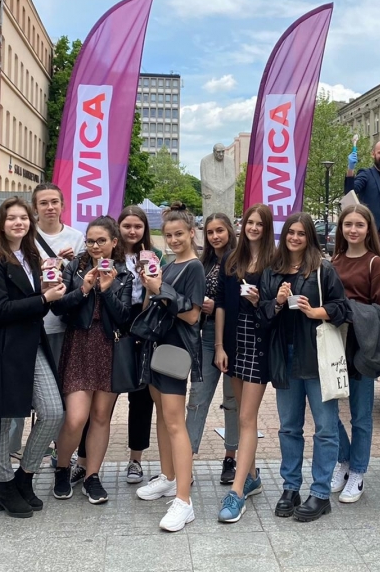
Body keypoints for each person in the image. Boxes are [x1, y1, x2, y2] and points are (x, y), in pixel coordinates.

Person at [0, 197, 66, 518]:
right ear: (1, 223)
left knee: (53, 412)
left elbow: (32, 299)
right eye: (11, 218)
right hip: (3, 346)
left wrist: (48, 290)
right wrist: (44, 298)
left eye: (24, 218)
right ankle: (3, 484)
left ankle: (24, 476)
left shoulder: (31, 255)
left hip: (32, 342)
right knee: (1, 418)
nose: (18, 223)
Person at [259, 212, 349, 522]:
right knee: (289, 427)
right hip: (285, 356)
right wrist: (277, 302)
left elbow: (342, 308)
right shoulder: (273, 270)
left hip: (316, 356)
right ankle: (291, 488)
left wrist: (316, 312)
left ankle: (320, 493)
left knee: (325, 428)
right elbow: (263, 314)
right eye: (290, 232)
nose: (295, 238)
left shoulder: (323, 269)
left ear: (309, 237)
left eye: (301, 233)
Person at [51, 216, 132, 506]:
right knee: (76, 417)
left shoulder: (123, 273)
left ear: (114, 242)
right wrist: (84, 289)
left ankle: (92, 476)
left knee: (100, 416)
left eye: (101, 241)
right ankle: (62, 468)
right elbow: (58, 308)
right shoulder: (75, 267)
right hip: (79, 344)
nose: (95, 246)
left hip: (109, 346)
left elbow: (125, 317)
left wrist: (107, 290)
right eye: (90, 241)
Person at [134, 203, 205, 532]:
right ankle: (168, 476)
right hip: (156, 348)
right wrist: (150, 286)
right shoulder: (168, 264)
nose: (174, 240)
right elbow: (155, 306)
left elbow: (192, 315)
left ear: (192, 232)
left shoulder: (194, 267)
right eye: (169, 235)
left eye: (180, 234)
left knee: (176, 423)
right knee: (162, 416)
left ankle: (184, 501)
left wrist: (159, 288)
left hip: (175, 352)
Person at [214, 204, 277, 523]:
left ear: (267, 228)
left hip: (259, 343)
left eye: (259, 224)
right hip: (234, 342)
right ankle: (251, 476)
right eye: (249, 222)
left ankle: (237, 491)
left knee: (247, 417)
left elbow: (277, 307)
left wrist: (259, 301)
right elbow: (221, 305)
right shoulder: (231, 259)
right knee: (240, 415)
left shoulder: (274, 262)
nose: (253, 227)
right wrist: (219, 346)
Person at [329, 205, 380, 504]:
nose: (353, 230)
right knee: (327, 411)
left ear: (368, 229)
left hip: (362, 345)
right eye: (348, 224)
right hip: (334, 343)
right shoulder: (334, 260)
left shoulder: (374, 263)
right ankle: (344, 460)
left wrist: (351, 311)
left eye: (359, 225)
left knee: (361, 415)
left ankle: (357, 471)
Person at [31, 183, 85, 482]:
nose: (50, 207)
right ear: (35, 207)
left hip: (63, 326)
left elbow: (81, 280)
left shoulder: (77, 237)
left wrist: (71, 264)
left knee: (63, 392)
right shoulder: (26, 237)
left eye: (54, 202)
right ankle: (14, 454)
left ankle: (60, 450)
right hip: (32, 324)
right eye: (43, 203)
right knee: (29, 393)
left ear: (63, 205)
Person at [185, 213, 239, 484]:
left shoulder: (239, 260)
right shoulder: (201, 262)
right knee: (197, 399)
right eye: (210, 232)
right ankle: (185, 460)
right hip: (205, 336)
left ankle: (230, 457)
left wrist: (215, 305)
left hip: (234, 337)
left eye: (220, 230)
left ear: (229, 231)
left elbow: (237, 299)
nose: (215, 236)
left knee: (232, 402)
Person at [115, 205, 165, 485]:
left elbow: (156, 297)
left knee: (141, 397)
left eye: (138, 226)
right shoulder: (110, 254)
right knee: (103, 397)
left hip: (144, 323)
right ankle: (85, 460)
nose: (132, 231)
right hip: (113, 323)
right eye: (127, 226)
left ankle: (136, 459)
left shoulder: (154, 256)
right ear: (118, 227)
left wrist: (149, 285)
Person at [345, 140, 380, 249]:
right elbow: (349, 192)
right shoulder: (366, 174)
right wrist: (350, 169)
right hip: (371, 235)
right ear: (373, 154)